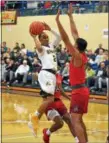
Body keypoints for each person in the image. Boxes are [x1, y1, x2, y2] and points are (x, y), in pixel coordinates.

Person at [56, 3, 89, 143]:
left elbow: (65, 38)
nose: (73, 43)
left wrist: (57, 21)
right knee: (79, 120)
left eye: (75, 44)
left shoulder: (77, 56)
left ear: (76, 47)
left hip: (79, 92)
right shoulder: (82, 53)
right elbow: (75, 34)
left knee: (75, 121)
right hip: (82, 90)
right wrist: (70, 17)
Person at [28, 22, 61, 136]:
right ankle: (34, 117)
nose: (46, 37)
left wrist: (50, 29)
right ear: (40, 40)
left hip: (52, 75)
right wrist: (34, 37)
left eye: (46, 36)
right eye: (43, 36)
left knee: (46, 100)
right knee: (50, 99)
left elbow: (59, 36)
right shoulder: (40, 49)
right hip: (46, 73)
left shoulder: (52, 46)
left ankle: (33, 123)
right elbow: (37, 46)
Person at [43, 74, 78, 143]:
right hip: (50, 102)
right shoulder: (46, 76)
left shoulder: (59, 76)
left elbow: (60, 89)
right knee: (60, 123)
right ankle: (47, 133)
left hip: (59, 102)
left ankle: (78, 140)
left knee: (69, 120)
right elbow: (44, 92)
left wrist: (69, 98)